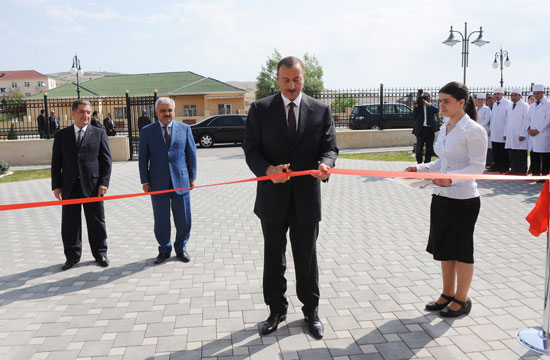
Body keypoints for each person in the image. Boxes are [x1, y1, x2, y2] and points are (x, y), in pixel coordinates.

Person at [243, 56, 338, 339]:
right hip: (272, 198)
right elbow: (251, 148)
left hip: (307, 198)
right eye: (286, 80)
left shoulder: (321, 110)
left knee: (306, 258)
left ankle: (311, 311)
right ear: (278, 80)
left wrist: (326, 165)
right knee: (274, 257)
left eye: (297, 79)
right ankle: (276, 309)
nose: (292, 85)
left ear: (303, 78)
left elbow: (330, 147)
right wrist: (267, 169)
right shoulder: (261, 109)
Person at [405, 81, 487, 318]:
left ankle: (462, 298)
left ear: (462, 102)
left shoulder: (473, 130)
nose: (441, 105)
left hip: (463, 199)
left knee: (461, 250)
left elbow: (478, 167)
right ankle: (447, 293)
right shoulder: (446, 126)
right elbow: (442, 162)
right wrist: (419, 169)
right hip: (441, 197)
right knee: (444, 248)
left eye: (446, 101)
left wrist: (451, 180)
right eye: (440, 100)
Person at [51, 99, 112, 271]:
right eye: (81, 112)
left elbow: (106, 161)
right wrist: (56, 185)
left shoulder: (99, 133)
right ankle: (72, 256)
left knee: (97, 222)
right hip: (69, 186)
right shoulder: (61, 135)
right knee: (70, 223)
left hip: (93, 186)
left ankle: (100, 253)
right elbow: (56, 163)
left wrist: (104, 183)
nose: (85, 115)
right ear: (73, 114)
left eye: (87, 112)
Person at [138, 97, 197, 265]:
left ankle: (181, 248)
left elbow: (191, 155)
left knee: (184, 218)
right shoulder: (147, 131)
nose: (167, 113)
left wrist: (192, 177)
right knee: (161, 219)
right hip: (158, 182)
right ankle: (164, 249)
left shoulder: (184, 129)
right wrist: (145, 181)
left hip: (181, 181)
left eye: (169, 110)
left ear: (174, 111)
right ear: (156, 112)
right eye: (163, 110)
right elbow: (143, 159)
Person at [527, 84, 550, 182]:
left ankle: (544, 176)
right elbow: (528, 119)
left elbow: (547, 119)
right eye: (534, 93)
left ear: (543, 93)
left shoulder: (548, 104)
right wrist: (528, 129)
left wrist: (538, 130)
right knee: (534, 155)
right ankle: (535, 175)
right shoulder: (532, 106)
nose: (536, 95)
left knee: (544, 156)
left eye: (538, 93)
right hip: (532, 134)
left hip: (543, 134)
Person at [504, 89, 530, 175]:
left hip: (520, 134)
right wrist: (505, 133)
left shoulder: (525, 106)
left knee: (521, 153)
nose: (513, 97)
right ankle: (514, 170)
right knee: (512, 152)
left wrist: (523, 134)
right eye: (512, 95)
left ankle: (522, 171)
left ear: (520, 96)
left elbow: (526, 121)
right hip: (511, 133)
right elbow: (507, 120)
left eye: (515, 95)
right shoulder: (510, 106)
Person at [412, 91, 440, 164]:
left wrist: (428, 105)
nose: (426, 98)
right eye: (425, 96)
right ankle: (419, 163)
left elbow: (437, 110)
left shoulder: (432, 104)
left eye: (428, 96)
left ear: (430, 98)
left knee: (429, 149)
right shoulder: (419, 105)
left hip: (430, 130)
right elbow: (414, 116)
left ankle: (427, 163)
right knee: (419, 149)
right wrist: (417, 106)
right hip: (421, 130)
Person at [488, 88, 511, 173]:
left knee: (503, 150)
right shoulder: (494, 104)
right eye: (495, 94)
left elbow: (508, 119)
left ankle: (504, 167)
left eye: (499, 94)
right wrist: (490, 129)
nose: (497, 96)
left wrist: (506, 132)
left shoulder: (508, 104)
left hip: (502, 130)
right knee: (496, 149)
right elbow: (493, 118)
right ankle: (497, 165)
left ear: (502, 94)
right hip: (495, 130)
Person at [476, 93, 493, 169]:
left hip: (484, 130)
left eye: (482, 100)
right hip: (476, 130)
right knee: (478, 146)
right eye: (478, 100)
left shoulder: (486, 109)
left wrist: (478, 126)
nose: (480, 101)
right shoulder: (475, 109)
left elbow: (487, 120)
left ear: (484, 100)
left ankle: (487, 162)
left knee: (485, 146)